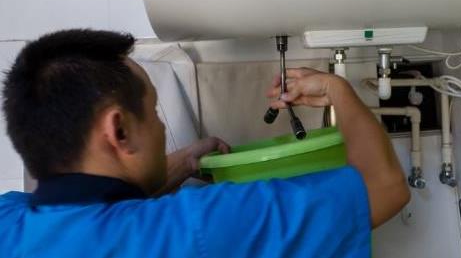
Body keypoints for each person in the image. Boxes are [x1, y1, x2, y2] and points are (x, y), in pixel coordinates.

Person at [0, 29, 409, 258]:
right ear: (119, 131)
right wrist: (338, 90)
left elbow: (90, 213)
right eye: (154, 111)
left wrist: (184, 163)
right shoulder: (197, 228)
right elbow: (384, 188)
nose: (160, 128)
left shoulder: (9, 222)